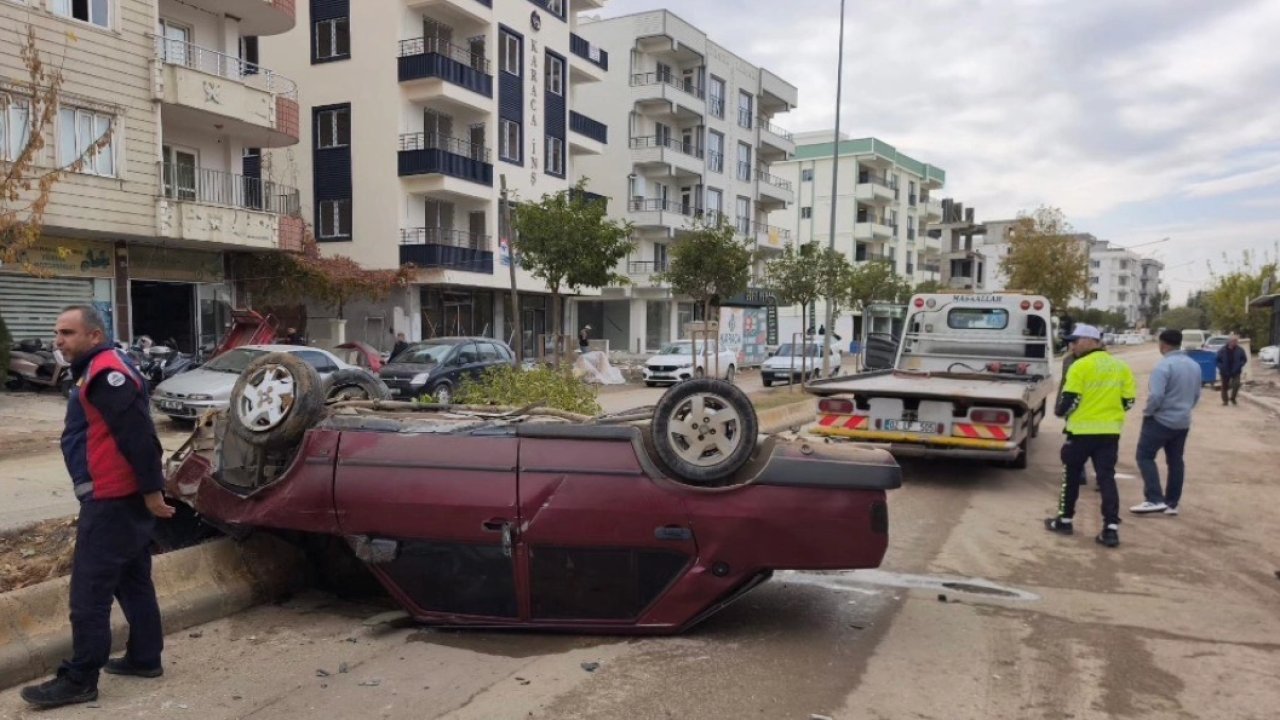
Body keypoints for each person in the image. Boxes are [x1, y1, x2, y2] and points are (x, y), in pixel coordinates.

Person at [21, 306, 175, 709]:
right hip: (122, 499)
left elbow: (139, 435)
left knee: (89, 592)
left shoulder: (107, 372)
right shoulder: (101, 368)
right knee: (133, 579)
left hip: (112, 501)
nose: (59, 340)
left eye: (68, 333)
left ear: (94, 335)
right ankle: (145, 657)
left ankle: (80, 678)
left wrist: (152, 491)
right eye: (57, 332)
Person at [1044, 323, 1137, 548]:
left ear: (1090, 342)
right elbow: (1128, 401)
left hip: (1081, 433)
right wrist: (1108, 413)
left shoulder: (1080, 366)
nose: (1071, 345)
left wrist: (1060, 413)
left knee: (1071, 477)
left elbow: (1070, 401)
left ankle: (1064, 520)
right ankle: (1111, 529)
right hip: (1109, 433)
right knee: (1106, 478)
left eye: (1075, 341)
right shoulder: (1120, 366)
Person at [1131, 330, 1202, 516]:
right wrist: (1184, 409)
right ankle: (1172, 503)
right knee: (1176, 461)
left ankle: (1154, 498)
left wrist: (1148, 412)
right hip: (1182, 421)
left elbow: (1156, 395)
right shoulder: (1194, 365)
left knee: (1144, 456)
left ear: (1163, 345)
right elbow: (1196, 395)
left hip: (1160, 420)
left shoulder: (1164, 366)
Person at [1216, 334, 1247, 406]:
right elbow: (1217, 360)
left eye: (1236, 341)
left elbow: (1244, 359)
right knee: (1224, 386)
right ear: (1229, 341)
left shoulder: (1240, 350)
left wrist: (1240, 365)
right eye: (1233, 341)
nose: (1235, 342)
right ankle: (1225, 401)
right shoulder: (1222, 350)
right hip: (1225, 371)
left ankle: (1233, 398)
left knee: (1237, 384)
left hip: (1236, 370)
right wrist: (1221, 367)